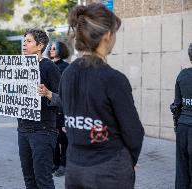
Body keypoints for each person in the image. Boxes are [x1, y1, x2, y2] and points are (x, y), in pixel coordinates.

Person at [37, 3, 144, 189]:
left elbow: (65, 108)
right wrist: (129, 161)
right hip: (109, 170)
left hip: (74, 167)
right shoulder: (113, 79)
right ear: (107, 36)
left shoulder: (68, 73)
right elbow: (134, 132)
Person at [0, 29, 61, 189]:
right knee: (29, 179)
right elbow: (14, 92)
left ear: (40, 45)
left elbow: (64, 100)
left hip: (43, 131)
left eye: (29, 41)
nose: (24, 43)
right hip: (23, 130)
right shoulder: (18, 65)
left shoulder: (49, 67)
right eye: (24, 40)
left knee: (43, 179)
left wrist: (48, 93)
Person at [47, 41, 69, 177]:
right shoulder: (48, 65)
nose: (51, 50)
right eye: (51, 48)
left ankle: (64, 164)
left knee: (63, 140)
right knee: (53, 139)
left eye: (54, 48)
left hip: (63, 108)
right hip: (50, 109)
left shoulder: (67, 67)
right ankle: (54, 163)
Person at [171, 42, 192, 189]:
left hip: (183, 128)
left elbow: (176, 105)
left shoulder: (182, 75)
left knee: (182, 170)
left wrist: (177, 126)